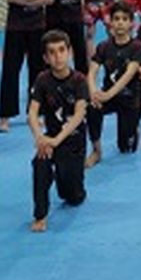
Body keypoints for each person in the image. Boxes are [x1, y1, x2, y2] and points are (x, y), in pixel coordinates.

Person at [28, 30, 89, 232]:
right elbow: (32, 113)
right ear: (46, 58)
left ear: (69, 52)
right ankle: (40, 215)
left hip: (73, 141)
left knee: (72, 197)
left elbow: (79, 115)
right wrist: (40, 137)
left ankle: (66, 180)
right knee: (40, 162)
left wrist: (57, 140)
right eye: (52, 52)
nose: (58, 57)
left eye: (62, 50)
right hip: (50, 140)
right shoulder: (42, 80)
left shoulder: (79, 80)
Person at [0, 0, 53, 133]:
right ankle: (5, 116)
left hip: (37, 25)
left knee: (38, 70)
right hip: (16, 26)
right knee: (10, 70)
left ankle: (35, 112)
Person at [86, 2, 141, 167]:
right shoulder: (104, 46)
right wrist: (93, 92)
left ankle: (132, 130)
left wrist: (107, 95)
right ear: (110, 22)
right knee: (92, 109)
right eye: (116, 19)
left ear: (131, 23)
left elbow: (128, 75)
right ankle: (96, 151)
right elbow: (92, 72)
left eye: (124, 19)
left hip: (129, 99)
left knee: (126, 148)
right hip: (109, 96)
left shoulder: (137, 47)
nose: (120, 23)